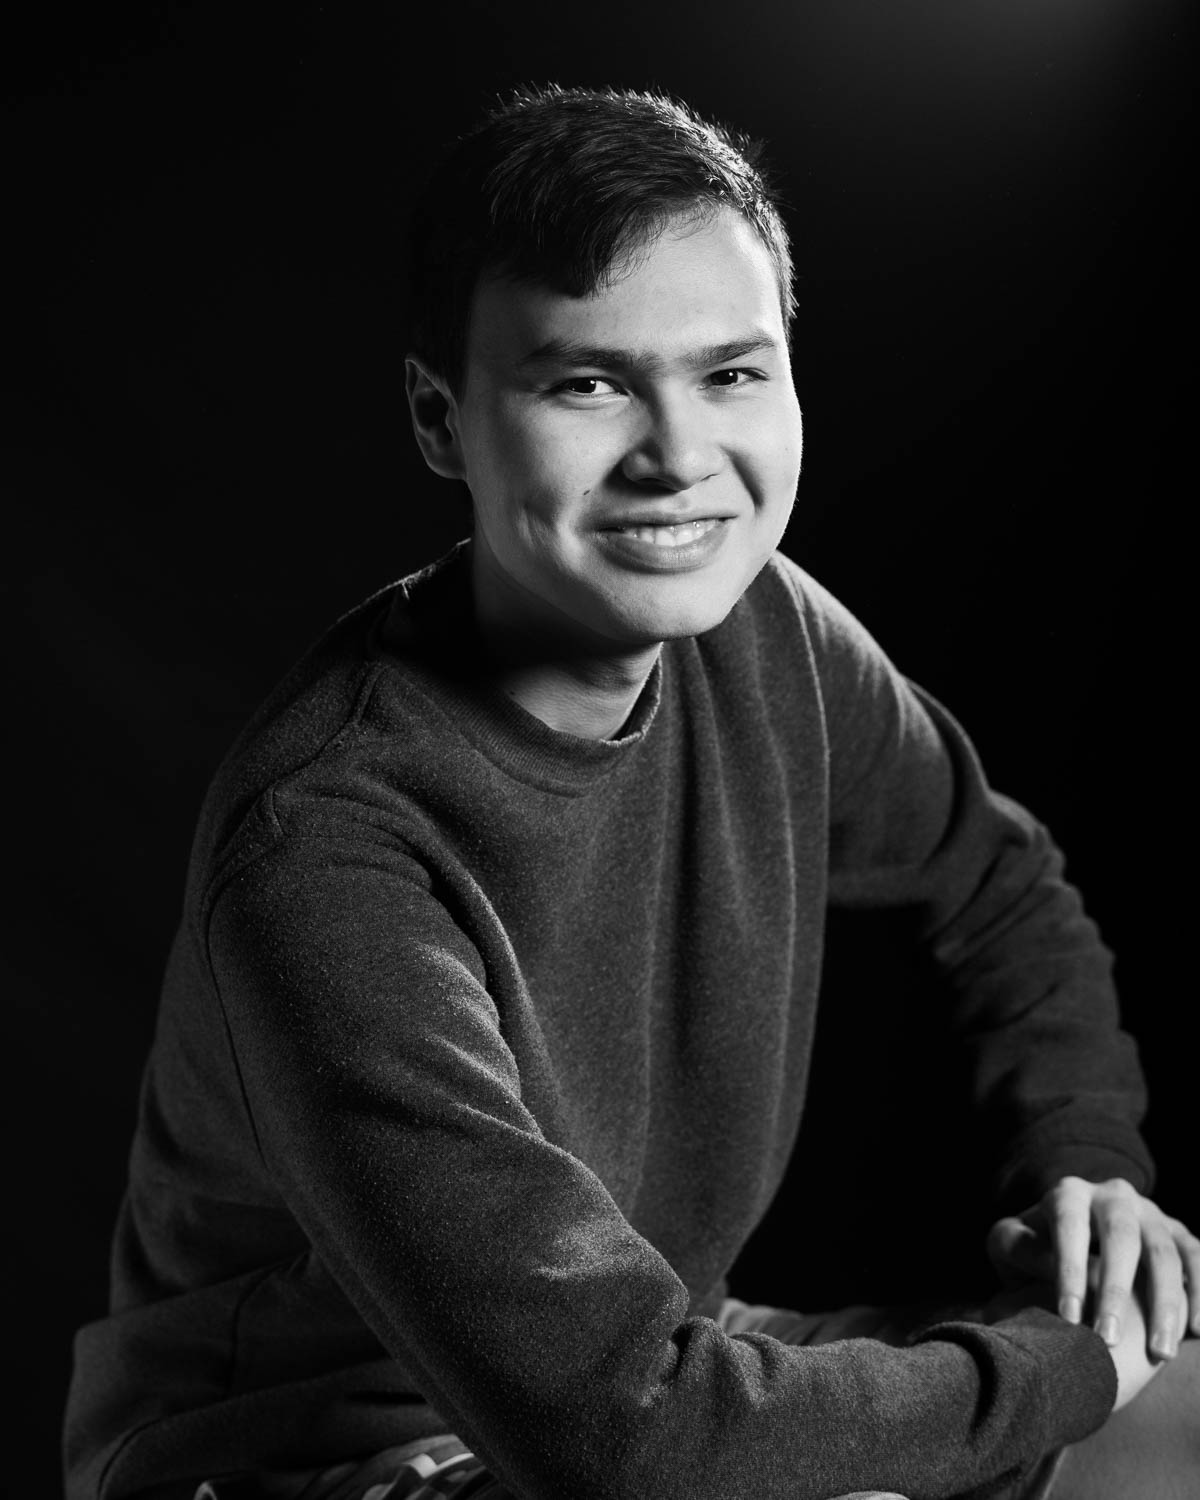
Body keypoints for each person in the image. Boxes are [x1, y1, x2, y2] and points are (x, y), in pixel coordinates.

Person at [63, 85, 1198, 1500]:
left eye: (733, 374)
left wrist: (1087, 1162)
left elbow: (997, 881)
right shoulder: (328, 845)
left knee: (1189, 1415)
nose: (678, 457)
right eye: (587, 384)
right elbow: (624, 1442)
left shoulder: (770, 632)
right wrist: (1069, 1364)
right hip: (325, 1450)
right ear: (439, 418)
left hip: (651, 1375)